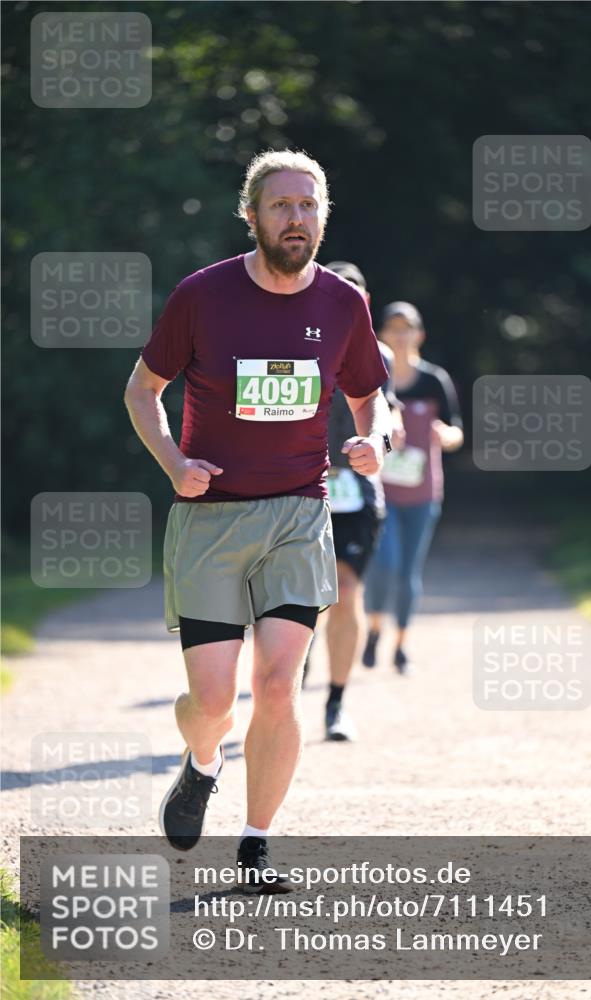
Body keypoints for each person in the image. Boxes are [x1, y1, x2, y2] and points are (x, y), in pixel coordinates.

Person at [123, 149, 391, 891]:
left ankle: (255, 846)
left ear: (323, 216)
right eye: (281, 206)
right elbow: (141, 391)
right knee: (211, 702)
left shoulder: (343, 303)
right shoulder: (202, 296)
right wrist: (175, 463)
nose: (296, 218)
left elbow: (372, 394)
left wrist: (377, 439)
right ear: (251, 215)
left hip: (299, 513)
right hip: (209, 516)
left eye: (308, 206)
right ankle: (201, 761)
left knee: (277, 685)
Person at [309, 260, 401, 742]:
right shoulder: (299, 342)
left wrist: (386, 438)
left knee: (345, 590)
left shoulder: (377, 353)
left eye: (356, 292)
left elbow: (388, 417)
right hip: (298, 485)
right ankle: (297, 662)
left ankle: (336, 701)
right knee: (296, 597)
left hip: (356, 493)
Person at [362, 301, 463, 675]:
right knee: (382, 564)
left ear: (419, 334)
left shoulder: (434, 380)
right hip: (381, 492)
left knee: (408, 571)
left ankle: (401, 644)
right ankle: (373, 629)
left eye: (408, 329)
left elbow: (456, 430)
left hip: (423, 493)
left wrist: (445, 435)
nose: (401, 337)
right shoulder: (375, 375)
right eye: (393, 329)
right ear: (382, 335)